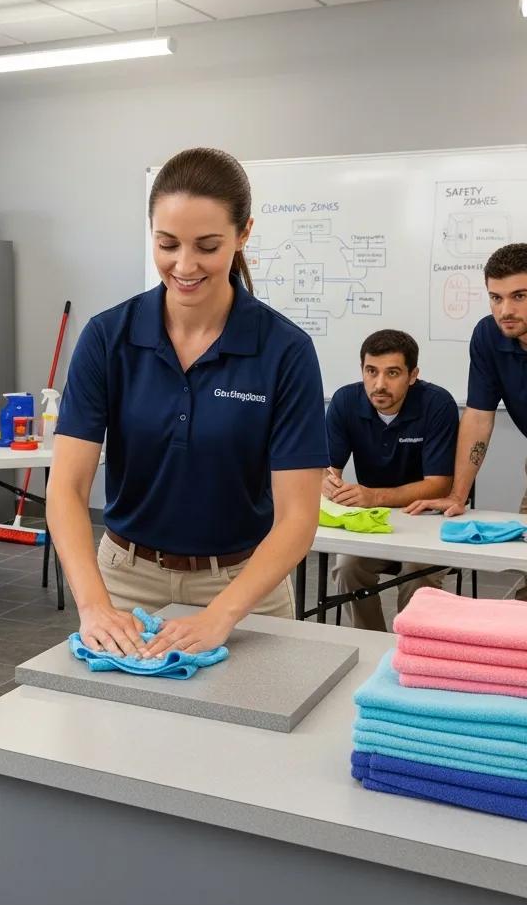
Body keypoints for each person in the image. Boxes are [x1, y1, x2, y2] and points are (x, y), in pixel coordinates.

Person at [46, 147, 328, 659]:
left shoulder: (285, 351)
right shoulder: (108, 337)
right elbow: (66, 486)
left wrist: (221, 615)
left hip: (246, 590)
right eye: (167, 243)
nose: (184, 265)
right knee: (114, 735)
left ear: (244, 233)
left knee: (256, 732)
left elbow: (297, 519)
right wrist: (93, 606)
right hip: (123, 584)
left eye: (207, 245)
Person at [407, 243, 527, 598]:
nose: (505, 310)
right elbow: (478, 416)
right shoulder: (488, 335)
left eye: (520, 296)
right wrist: (457, 495)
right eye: (496, 297)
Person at [324, 329, 459, 630]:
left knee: (417, 571)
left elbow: (439, 485)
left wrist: (373, 496)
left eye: (393, 373)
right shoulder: (345, 402)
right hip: (373, 522)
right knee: (347, 567)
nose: (379, 384)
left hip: (428, 519)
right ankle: (373, 645)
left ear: (413, 375)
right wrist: (328, 480)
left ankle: (409, 650)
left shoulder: (438, 404)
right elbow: (325, 468)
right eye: (371, 372)